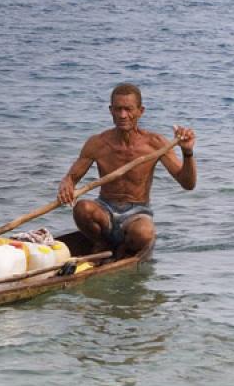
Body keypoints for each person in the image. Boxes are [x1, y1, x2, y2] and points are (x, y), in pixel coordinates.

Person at [57, 83, 197, 258]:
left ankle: (124, 250)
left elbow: (188, 184)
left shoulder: (155, 143)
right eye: (118, 109)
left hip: (137, 213)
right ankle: (102, 243)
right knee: (81, 208)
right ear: (111, 111)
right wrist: (66, 184)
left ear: (140, 111)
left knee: (144, 233)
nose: (123, 115)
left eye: (128, 109)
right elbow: (72, 177)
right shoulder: (97, 143)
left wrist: (187, 152)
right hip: (104, 209)